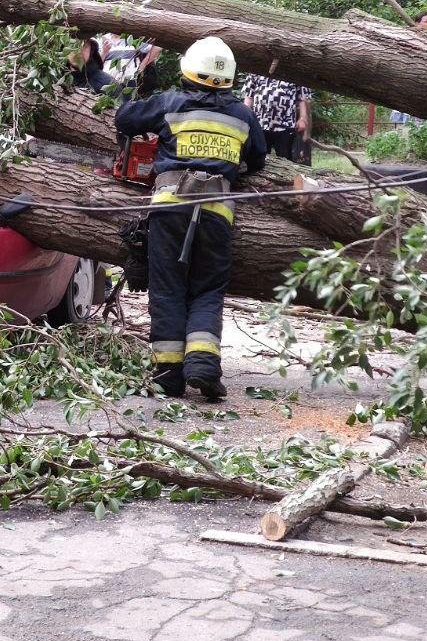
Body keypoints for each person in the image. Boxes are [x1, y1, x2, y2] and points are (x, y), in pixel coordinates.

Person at [116, 37, 267, 401]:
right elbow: (259, 158)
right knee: (207, 289)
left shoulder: (170, 102)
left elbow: (125, 117)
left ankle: (168, 375)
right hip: (217, 214)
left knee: (167, 288)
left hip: (169, 209)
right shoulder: (242, 116)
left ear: (188, 69)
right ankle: (203, 365)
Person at [239, 73, 312, 165]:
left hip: (285, 125)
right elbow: (249, 96)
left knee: (286, 160)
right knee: (257, 157)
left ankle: (285, 178)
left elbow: (303, 98)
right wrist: (246, 118)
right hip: (259, 124)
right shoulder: (257, 68)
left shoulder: (294, 70)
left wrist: (302, 118)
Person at [101, 33, 162, 99]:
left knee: (126, 105)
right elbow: (95, 63)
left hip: (129, 81)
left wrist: (142, 66)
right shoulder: (103, 39)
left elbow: (158, 47)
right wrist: (104, 52)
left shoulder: (133, 37)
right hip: (106, 81)